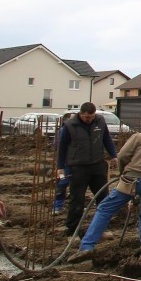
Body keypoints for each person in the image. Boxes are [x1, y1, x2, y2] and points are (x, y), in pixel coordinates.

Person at [68, 123, 141, 263]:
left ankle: (87, 246)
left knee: (105, 209)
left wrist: (123, 174)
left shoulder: (139, 137)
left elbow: (122, 155)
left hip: (132, 179)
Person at [58, 102, 117, 238]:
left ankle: (101, 229)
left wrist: (113, 155)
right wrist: (60, 167)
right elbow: (62, 147)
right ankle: (72, 232)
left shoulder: (100, 121)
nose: (89, 120)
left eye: (91, 117)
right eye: (86, 117)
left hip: (97, 165)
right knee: (77, 200)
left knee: (103, 199)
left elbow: (106, 138)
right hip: (78, 167)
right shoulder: (70, 126)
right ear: (81, 114)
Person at [51, 112, 73, 214]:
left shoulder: (78, 130)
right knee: (62, 183)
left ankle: (73, 207)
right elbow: (57, 146)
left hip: (76, 164)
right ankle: (56, 206)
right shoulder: (62, 132)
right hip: (63, 165)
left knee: (76, 185)